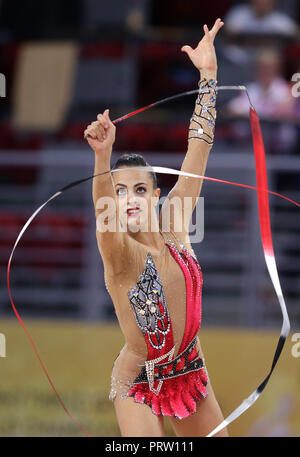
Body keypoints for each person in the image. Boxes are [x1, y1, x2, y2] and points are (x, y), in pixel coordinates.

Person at [84, 18, 228, 437]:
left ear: (155, 195)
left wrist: (208, 76)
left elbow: (198, 151)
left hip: (190, 369)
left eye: (139, 189)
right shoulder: (121, 254)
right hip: (138, 380)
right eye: (120, 191)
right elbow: (103, 215)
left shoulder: (175, 225)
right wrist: (102, 156)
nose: (129, 198)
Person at [224, 0, 298, 38]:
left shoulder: (281, 21)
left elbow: (295, 34)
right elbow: (226, 35)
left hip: (271, 63)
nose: (261, 3)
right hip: (238, 61)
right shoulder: (238, 15)